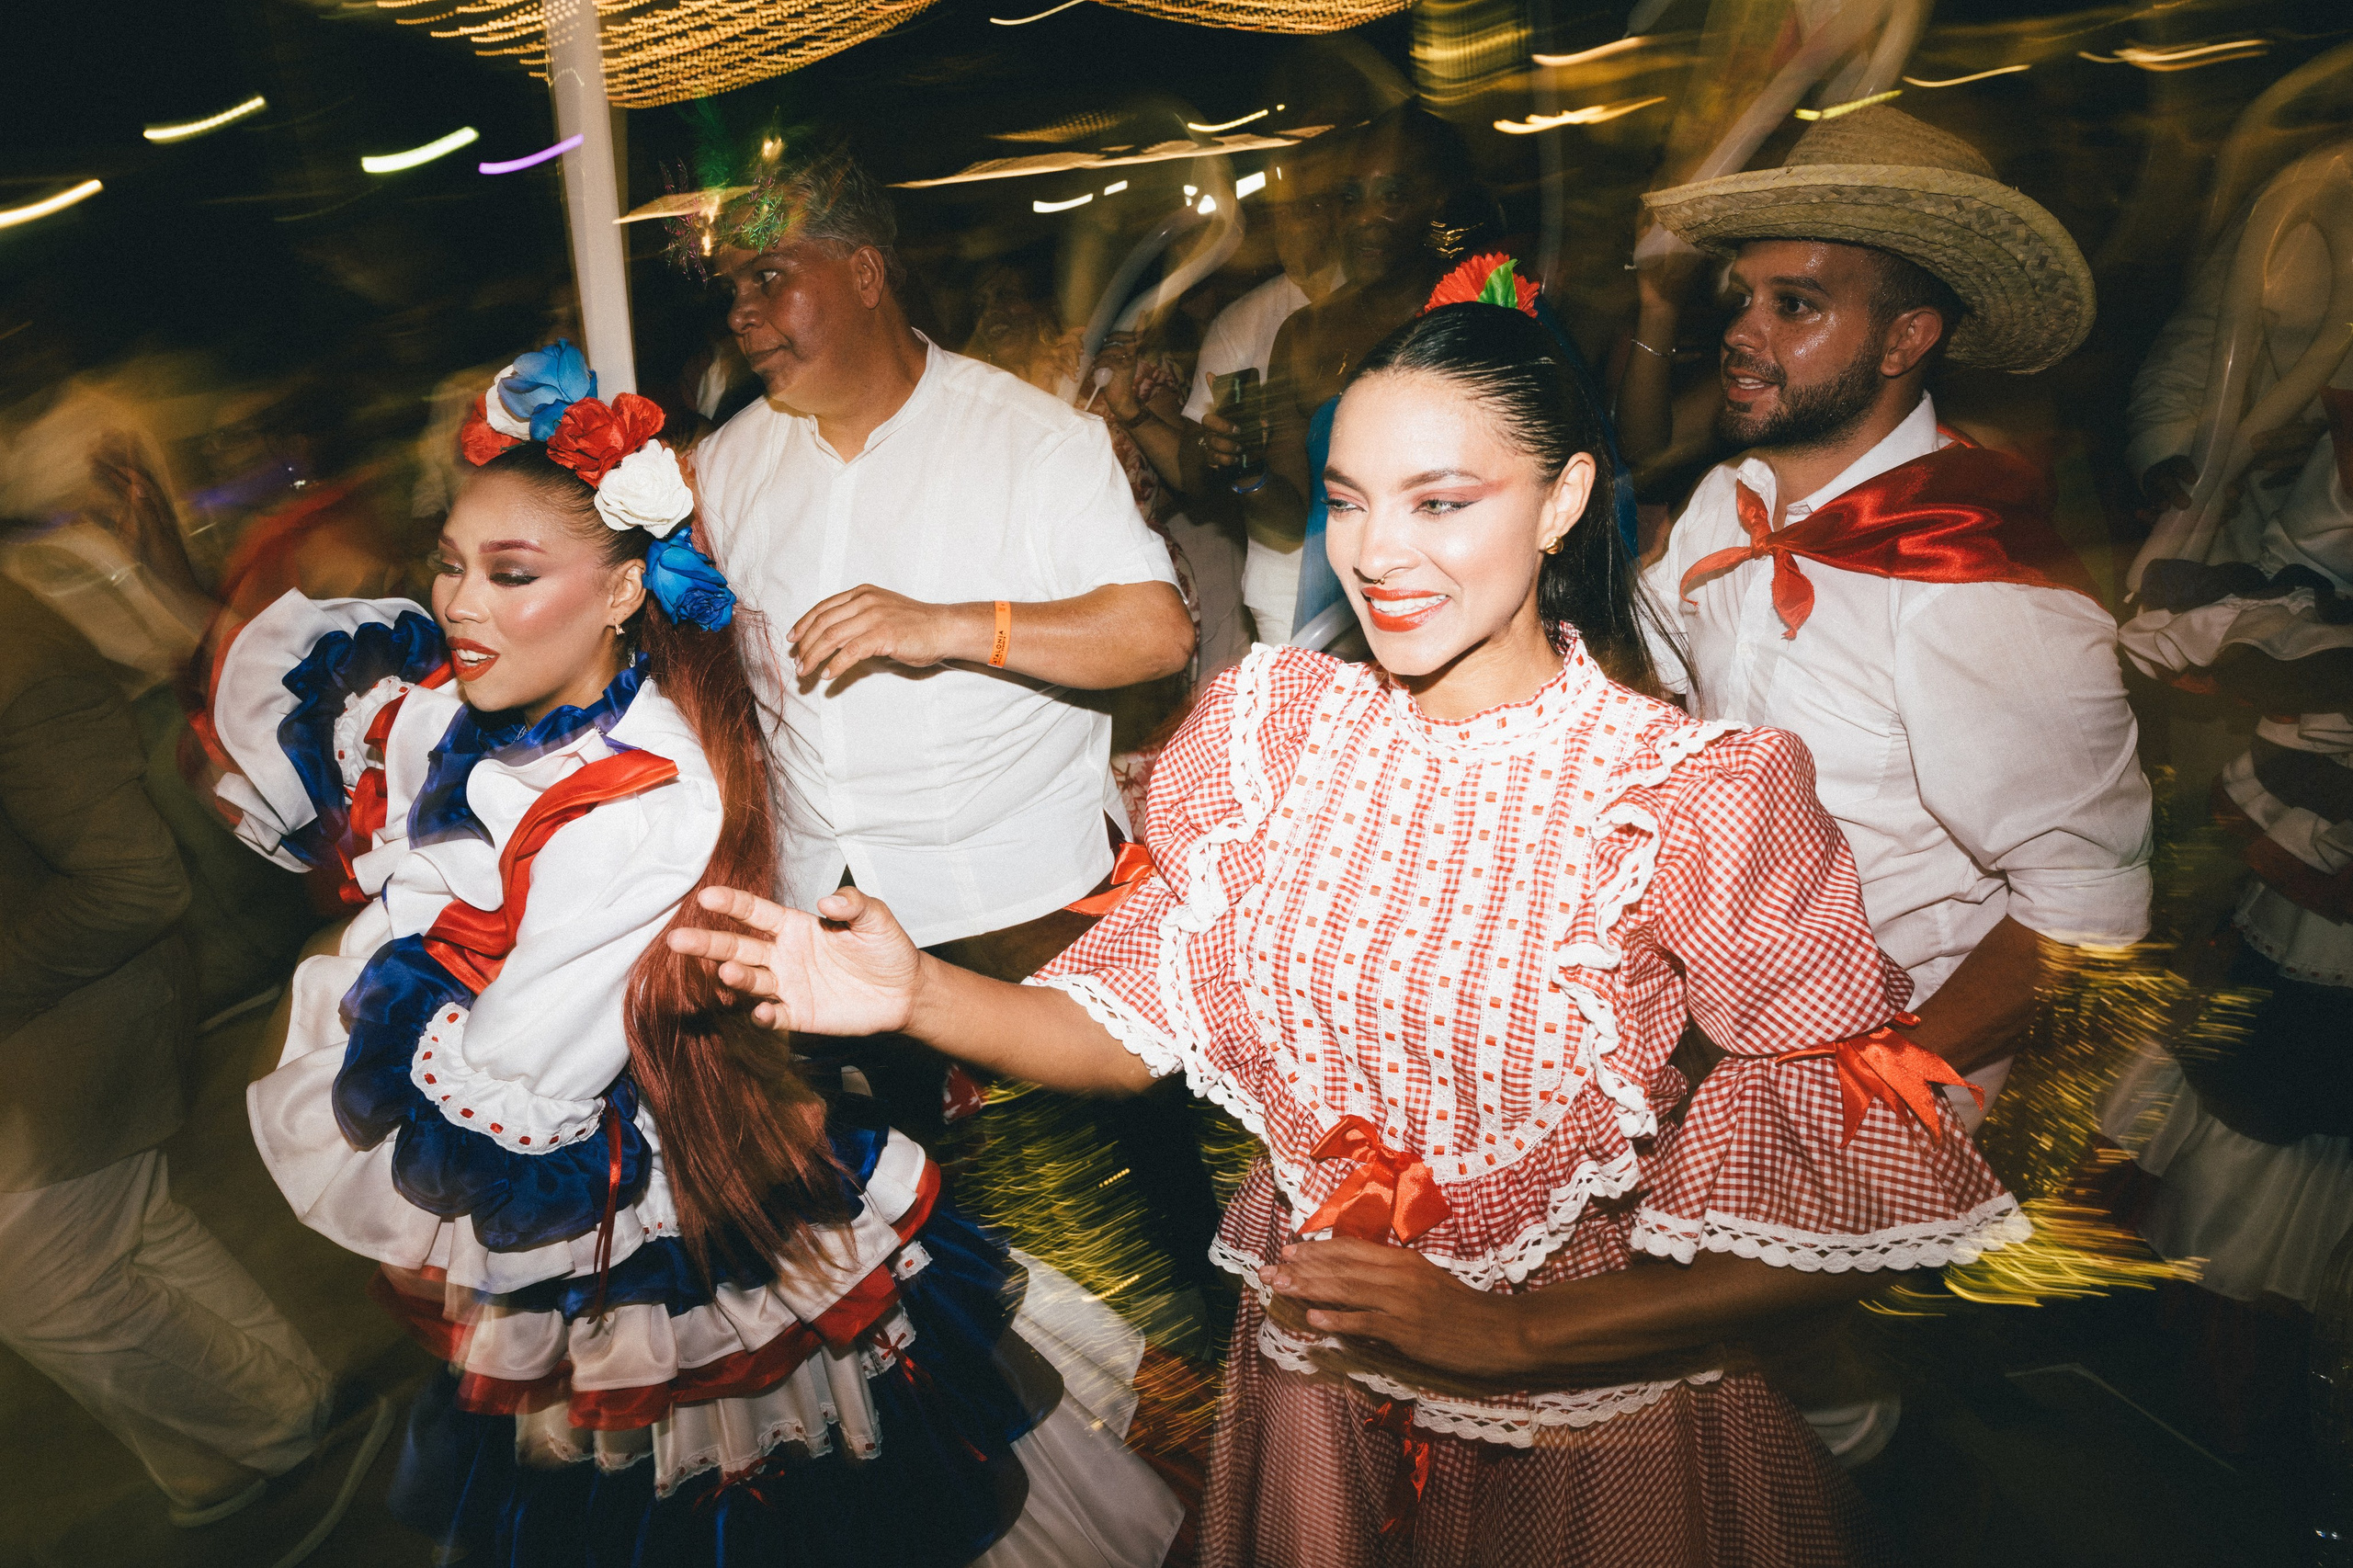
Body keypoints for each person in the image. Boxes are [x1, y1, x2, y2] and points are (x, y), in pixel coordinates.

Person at [670, 259, 2029, 1567]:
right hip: (1312, 1395)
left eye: (1442, 502)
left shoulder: (1689, 797)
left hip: (1570, 1432)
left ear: (1562, 501)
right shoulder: (1272, 732)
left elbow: (1841, 1226)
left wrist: (1509, 1341)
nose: (1378, 552)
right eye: (1348, 498)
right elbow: (1131, 1028)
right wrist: (916, 993)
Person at [209, 346, 1184, 1565]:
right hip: (655, 1181)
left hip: (656, 1206)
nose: (461, 602)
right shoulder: (479, 705)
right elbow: (366, 750)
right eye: (451, 565)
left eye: (512, 573)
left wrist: (402, 975)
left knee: (759, 1505)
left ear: (621, 593)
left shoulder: (644, 800)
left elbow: (506, 1104)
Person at [1638, 107, 2153, 1131]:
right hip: (1719, 1038)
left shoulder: (1979, 587)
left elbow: (2086, 912)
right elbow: (1661, 692)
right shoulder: (1725, 503)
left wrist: (1864, 1094)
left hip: (1875, 1096)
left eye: (1796, 305)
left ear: (1906, 338)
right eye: (1747, 298)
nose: (1743, 332)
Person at [686, 147, 1193, 1127]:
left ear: (865, 273)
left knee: (1122, 1215)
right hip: (823, 913)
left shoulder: (1033, 442)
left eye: (771, 277)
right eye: (733, 290)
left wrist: (947, 624)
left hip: (1019, 906)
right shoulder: (730, 459)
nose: (743, 312)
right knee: (902, 1226)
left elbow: (1156, 633)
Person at [0, 573, 358, 1542]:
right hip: (54, 1009)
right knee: (127, 1228)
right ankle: (253, 1437)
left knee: (45, 1282)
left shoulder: (18, 661)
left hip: (82, 1009)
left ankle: (283, 1425)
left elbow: (130, 883)